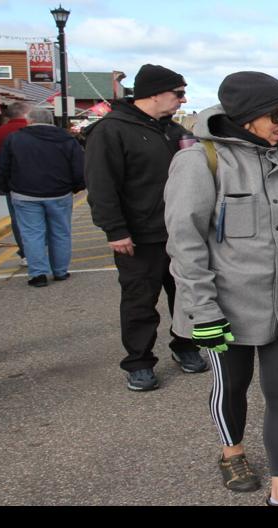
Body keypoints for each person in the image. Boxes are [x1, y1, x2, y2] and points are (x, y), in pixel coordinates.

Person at [163, 71, 278, 506]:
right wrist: (201, 311)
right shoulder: (200, 161)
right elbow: (185, 243)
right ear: (246, 116)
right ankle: (232, 453)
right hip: (226, 305)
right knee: (231, 385)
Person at [85, 63, 205, 391]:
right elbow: (101, 185)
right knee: (140, 300)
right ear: (154, 93)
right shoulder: (111, 130)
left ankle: (185, 346)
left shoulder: (174, 131)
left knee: (185, 295)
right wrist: (115, 230)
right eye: (178, 94)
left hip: (180, 232)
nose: (183, 100)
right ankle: (139, 361)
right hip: (139, 235)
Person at [0, 108, 85, 288]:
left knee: (31, 234)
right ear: (50, 120)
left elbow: (2, 167)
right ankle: (60, 271)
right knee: (60, 232)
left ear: (29, 120)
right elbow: (79, 167)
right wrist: (76, 187)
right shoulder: (67, 139)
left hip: (24, 193)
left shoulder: (14, 139)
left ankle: (38, 274)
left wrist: (6, 188)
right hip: (59, 192)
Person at [0, 102, 31, 264]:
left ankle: (26, 253)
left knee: (18, 219)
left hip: (12, 184)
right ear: (25, 113)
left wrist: (3, 183)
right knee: (43, 218)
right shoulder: (33, 130)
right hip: (41, 183)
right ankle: (41, 249)